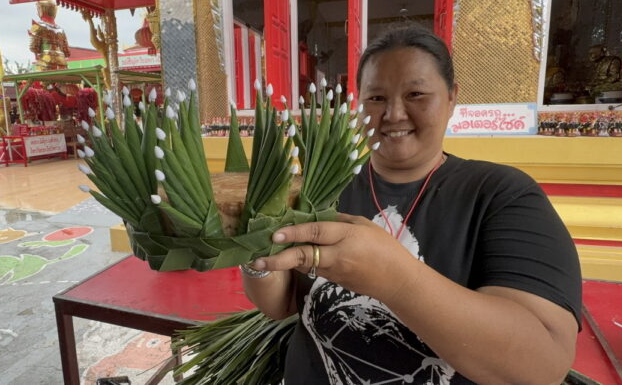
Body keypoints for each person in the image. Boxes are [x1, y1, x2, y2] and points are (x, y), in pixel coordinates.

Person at [241, 25, 582, 384]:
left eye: (416, 94)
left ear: (451, 97)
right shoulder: (321, 188)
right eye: (376, 98)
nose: (394, 114)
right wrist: (253, 250)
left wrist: (394, 279)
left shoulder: (501, 195)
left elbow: (542, 367)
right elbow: (284, 304)